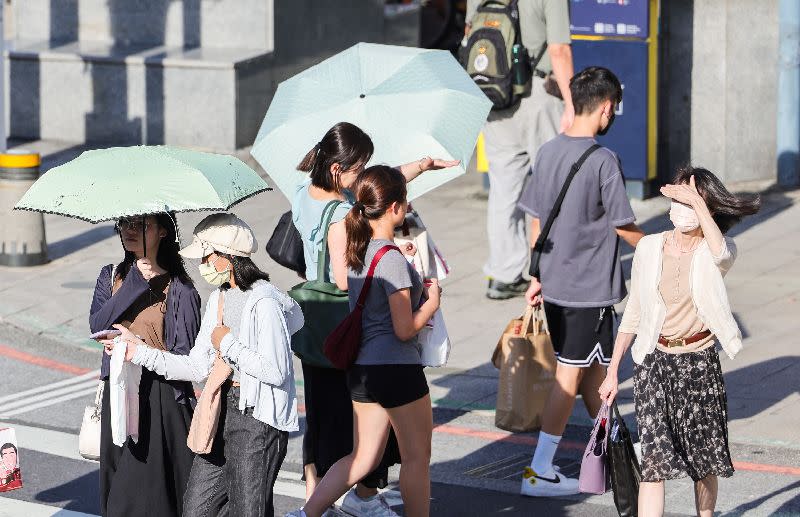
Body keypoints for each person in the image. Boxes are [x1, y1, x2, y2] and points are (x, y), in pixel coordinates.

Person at [291, 121, 456, 516]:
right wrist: (430, 302)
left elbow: (373, 191)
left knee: (362, 457)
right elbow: (404, 329)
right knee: (417, 458)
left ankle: (305, 513)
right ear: (397, 209)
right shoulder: (391, 259)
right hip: (396, 368)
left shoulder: (356, 254)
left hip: (362, 369)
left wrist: (415, 167)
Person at [107, 213, 303, 517]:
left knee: (247, 511)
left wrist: (228, 344)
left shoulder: (264, 303)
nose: (202, 266)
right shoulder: (219, 299)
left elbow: (276, 371)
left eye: (206, 256)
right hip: (220, 408)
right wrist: (139, 352)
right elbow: (197, 367)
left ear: (227, 257)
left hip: (256, 420)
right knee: (197, 508)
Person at [599, 168, 760, 517]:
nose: (680, 207)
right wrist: (612, 372)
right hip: (654, 362)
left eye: (689, 202)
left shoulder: (715, 250)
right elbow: (634, 313)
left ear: (708, 208)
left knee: (703, 461)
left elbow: (721, 255)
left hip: (698, 363)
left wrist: (699, 204)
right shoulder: (649, 247)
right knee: (654, 460)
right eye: (676, 200)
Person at [517, 66, 645, 496]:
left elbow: (536, 220)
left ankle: (617, 451)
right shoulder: (604, 161)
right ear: (606, 107)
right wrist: (662, 247)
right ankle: (540, 469)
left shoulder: (548, 151)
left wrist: (536, 274)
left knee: (595, 376)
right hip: (588, 291)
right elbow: (625, 227)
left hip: (556, 285)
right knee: (569, 378)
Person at [89, 213, 200, 517]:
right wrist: (135, 282)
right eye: (124, 223)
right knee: (116, 485)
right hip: (118, 389)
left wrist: (140, 349)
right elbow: (97, 324)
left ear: (163, 231)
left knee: (144, 499)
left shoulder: (181, 290)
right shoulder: (111, 275)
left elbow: (185, 357)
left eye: (141, 225)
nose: (129, 231)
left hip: (160, 398)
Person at [465, 0, 576, 300]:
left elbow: (470, 36)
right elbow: (559, 51)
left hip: (495, 94)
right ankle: (552, 271)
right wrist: (571, 103)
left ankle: (503, 275)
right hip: (538, 96)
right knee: (555, 184)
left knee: (504, 190)